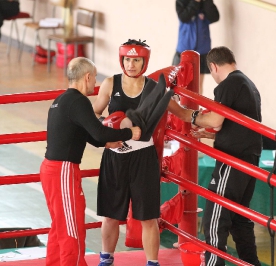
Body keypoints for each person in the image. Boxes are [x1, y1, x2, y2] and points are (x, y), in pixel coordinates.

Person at [40, 57, 141, 266]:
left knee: (60, 226)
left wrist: (106, 144)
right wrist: (129, 132)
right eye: (94, 78)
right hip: (63, 171)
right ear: (87, 77)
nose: (95, 84)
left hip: (53, 169)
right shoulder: (78, 101)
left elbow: (82, 132)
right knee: (72, 229)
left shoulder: (61, 100)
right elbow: (97, 130)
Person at [93, 39, 187, 266]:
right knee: (111, 214)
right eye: (127, 59)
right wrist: (105, 134)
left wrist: (201, 119)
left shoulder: (154, 88)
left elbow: (181, 112)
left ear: (144, 62)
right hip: (114, 156)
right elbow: (94, 115)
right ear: (121, 59)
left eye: (136, 59)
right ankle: (106, 260)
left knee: (148, 216)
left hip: (143, 158)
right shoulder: (109, 83)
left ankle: (152, 263)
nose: (131, 64)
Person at [190, 46, 262, 266]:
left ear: (212, 67)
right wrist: (211, 135)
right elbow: (237, 126)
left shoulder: (228, 84)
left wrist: (190, 115)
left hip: (233, 159)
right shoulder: (248, 84)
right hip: (249, 157)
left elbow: (215, 120)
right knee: (240, 220)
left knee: (214, 219)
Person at [172, 0, 219, 95]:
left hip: (202, 49)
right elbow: (183, 17)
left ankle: (195, 109)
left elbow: (214, 17)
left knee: (197, 85)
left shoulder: (206, 2)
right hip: (184, 49)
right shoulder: (181, 1)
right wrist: (195, 2)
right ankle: (180, 108)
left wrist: (206, 2)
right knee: (180, 84)